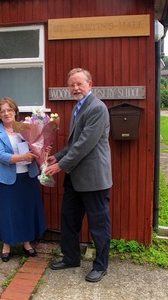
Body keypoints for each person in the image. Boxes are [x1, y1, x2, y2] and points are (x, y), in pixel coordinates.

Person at [45, 68, 112, 282]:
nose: (75, 88)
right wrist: (56, 157)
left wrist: (61, 165)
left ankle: (101, 266)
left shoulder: (97, 108)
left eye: (79, 84)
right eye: (72, 85)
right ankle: (71, 258)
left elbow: (84, 145)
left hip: (93, 178)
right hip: (75, 177)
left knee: (98, 225)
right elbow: (74, 143)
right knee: (69, 218)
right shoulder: (78, 107)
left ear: (90, 84)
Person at [0, 97, 46, 262]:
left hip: (28, 178)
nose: (7, 113)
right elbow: (0, 155)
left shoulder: (26, 128)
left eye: (10, 110)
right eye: (2, 111)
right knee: (7, 213)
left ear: (15, 111)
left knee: (26, 210)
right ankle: (6, 245)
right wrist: (23, 156)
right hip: (6, 180)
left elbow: (37, 147)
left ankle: (27, 243)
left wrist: (42, 150)